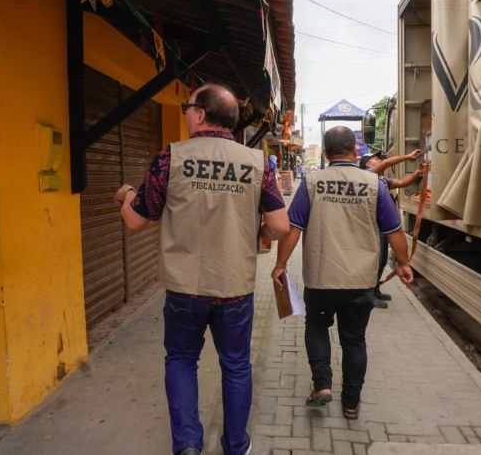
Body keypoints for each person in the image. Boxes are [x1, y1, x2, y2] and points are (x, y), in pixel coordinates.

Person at [115, 83, 289, 455]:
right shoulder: (258, 163)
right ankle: (236, 445)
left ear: (199, 114)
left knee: (181, 360)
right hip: (235, 289)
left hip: (184, 290)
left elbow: (134, 220)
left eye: (186, 106)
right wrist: (252, 231)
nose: (185, 112)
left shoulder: (170, 159)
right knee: (237, 366)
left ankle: (188, 446)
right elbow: (279, 227)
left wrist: (127, 195)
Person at [271, 126, 413, 421]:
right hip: (360, 282)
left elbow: (292, 228)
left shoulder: (312, 182)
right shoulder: (375, 185)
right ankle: (351, 403)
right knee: (354, 341)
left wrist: (280, 264)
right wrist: (403, 263)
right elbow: (394, 231)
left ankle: (322, 385)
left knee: (317, 326)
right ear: (355, 151)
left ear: (324, 154)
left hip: (321, 279)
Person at [358, 149, 427, 308]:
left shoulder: (381, 179)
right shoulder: (368, 175)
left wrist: (417, 172)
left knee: (382, 260)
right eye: (376, 158)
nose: (380, 159)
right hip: (373, 228)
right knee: (374, 262)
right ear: (368, 163)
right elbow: (387, 163)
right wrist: (407, 156)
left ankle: (375, 290)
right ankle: (368, 296)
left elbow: (402, 183)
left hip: (382, 228)